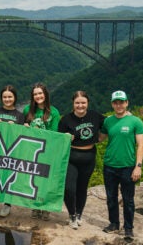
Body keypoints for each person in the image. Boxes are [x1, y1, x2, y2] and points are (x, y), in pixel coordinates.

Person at [100, 90, 143, 239]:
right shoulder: (108, 121)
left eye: (121, 102)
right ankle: (114, 224)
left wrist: (138, 166)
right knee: (111, 197)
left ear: (127, 103)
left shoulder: (136, 122)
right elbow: (99, 138)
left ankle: (128, 228)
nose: (119, 105)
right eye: (116, 102)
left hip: (128, 167)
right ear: (112, 104)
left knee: (128, 199)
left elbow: (141, 145)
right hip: (109, 165)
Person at [58, 91, 105, 229]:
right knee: (69, 188)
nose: (80, 105)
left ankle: (79, 214)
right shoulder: (66, 120)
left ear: (87, 103)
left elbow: (111, 123)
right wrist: (65, 138)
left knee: (82, 188)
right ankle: (71, 214)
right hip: (71, 157)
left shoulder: (95, 116)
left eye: (83, 103)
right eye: (77, 103)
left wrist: (102, 137)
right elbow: (58, 139)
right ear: (73, 104)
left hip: (89, 158)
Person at [23, 82, 60, 221]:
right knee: (34, 179)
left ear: (45, 94)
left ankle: (46, 207)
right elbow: (23, 127)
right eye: (35, 94)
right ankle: (35, 206)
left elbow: (55, 133)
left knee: (46, 179)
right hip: (32, 150)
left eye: (40, 93)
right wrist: (25, 126)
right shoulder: (27, 110)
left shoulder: (54, 112)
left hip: (47, 151)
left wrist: (40, 132)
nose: (38, 96)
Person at [0, 85, 25, 217]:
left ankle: (7, 204)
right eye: (4, 97)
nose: (7, 99)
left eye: (10, 96)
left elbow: (23, 136)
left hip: (12, 151)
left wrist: (15, 128)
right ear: (1, 98)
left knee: (10, 178)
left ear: (14, 98)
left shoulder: (20, 116)